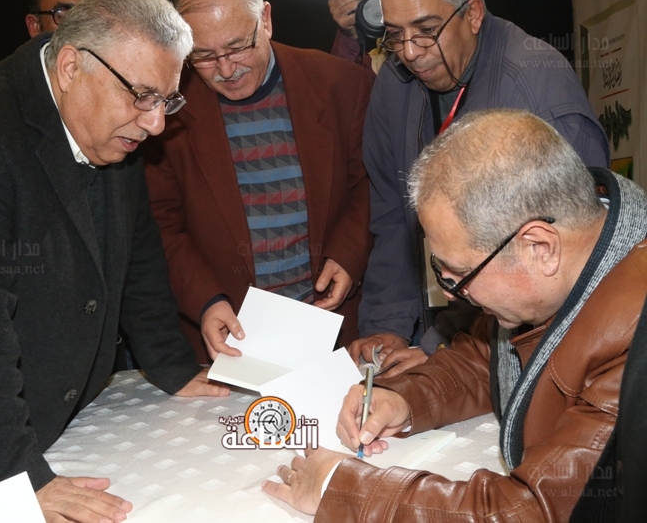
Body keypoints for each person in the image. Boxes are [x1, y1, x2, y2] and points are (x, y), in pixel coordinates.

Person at [0, 0, 228, 521]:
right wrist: (18, 477)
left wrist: (172, 366)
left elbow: (138, 255)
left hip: (77, 408)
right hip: (0, 427)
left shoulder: (110, 122)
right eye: (143, 96)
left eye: (167, 101)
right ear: (72, 66)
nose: (156, 125)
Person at [261, 109, 647, 521]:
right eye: (440, 269)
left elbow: (534, 511)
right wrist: (406, 398)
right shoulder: (580, 258)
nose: (450, 291)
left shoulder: (634, 345)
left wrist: (344, 488)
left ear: (540, 247)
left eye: (462, 273)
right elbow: (492, 358)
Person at [352, 0, 610, 378]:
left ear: (473, 13)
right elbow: (392, 219)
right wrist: (388, 324)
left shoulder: (541, 94)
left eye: (426, 30)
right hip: (440, 322)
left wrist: (446, 348)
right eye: (394, 34)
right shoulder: (394, 83)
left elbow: (573, 268)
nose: (410, 52)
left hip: (520, 340)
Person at [143, 0, 373, 363]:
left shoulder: (342, 84)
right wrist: (205, 300)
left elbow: (368, 185)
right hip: (228, 339)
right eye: (203, 56)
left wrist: (349, 254)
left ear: (265, 19)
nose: (226, 69)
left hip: (334, 330)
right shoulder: (166, 110)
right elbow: (160, 224)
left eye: (238, 48)